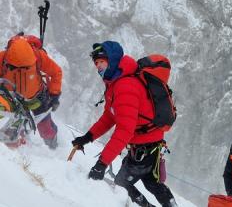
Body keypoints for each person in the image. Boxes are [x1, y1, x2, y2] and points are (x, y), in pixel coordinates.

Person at [71, 41, 176, 207]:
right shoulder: (115, 83)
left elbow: (124, 131)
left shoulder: (126, 86)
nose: (98, 67)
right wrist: (87, 137)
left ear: (112, 60)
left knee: (122, 183)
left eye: (102, 62)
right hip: (148, 144)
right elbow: (110, 117)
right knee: (150, 183)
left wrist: (102, 164)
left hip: (145, 145)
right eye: (96, 63)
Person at [0, 34, 62, 148]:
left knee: (46, 129)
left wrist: (54, 95)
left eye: (26, 68)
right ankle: (15, 151)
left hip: (37, 98)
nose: (20, 70)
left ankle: (53, 146)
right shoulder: (1, 58)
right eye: (15, 68)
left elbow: (56, 72)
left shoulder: (38, 56)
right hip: (12, 100)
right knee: (11, 137)